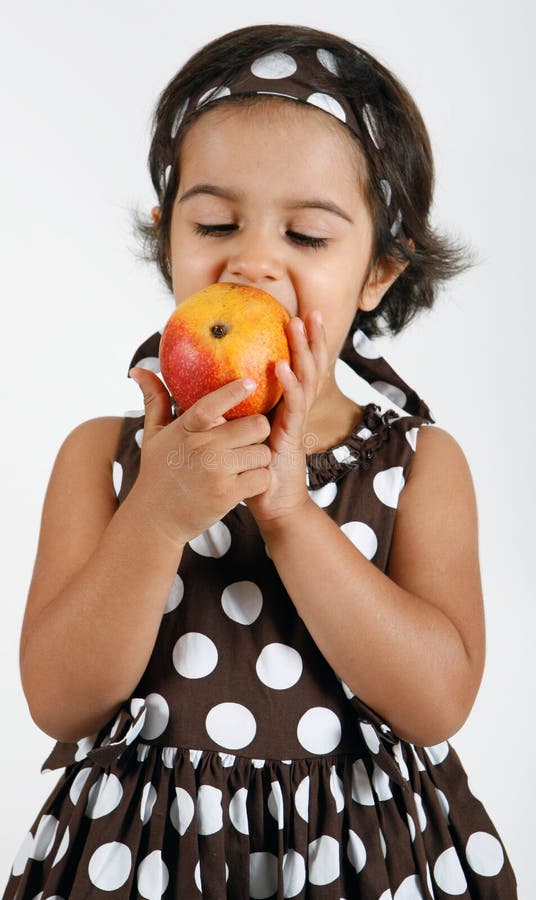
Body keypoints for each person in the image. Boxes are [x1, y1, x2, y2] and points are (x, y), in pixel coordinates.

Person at [3, 22, 518, 900]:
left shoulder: (418, 463)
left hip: (355, 855)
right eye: (214, 223)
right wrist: (157, 515)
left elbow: (436, 702)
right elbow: (60, 699)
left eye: (308, 238)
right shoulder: (103, 457)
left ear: (377, 276)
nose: (252, 262)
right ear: (169, 239)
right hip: (146, 856)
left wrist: (290, 513)